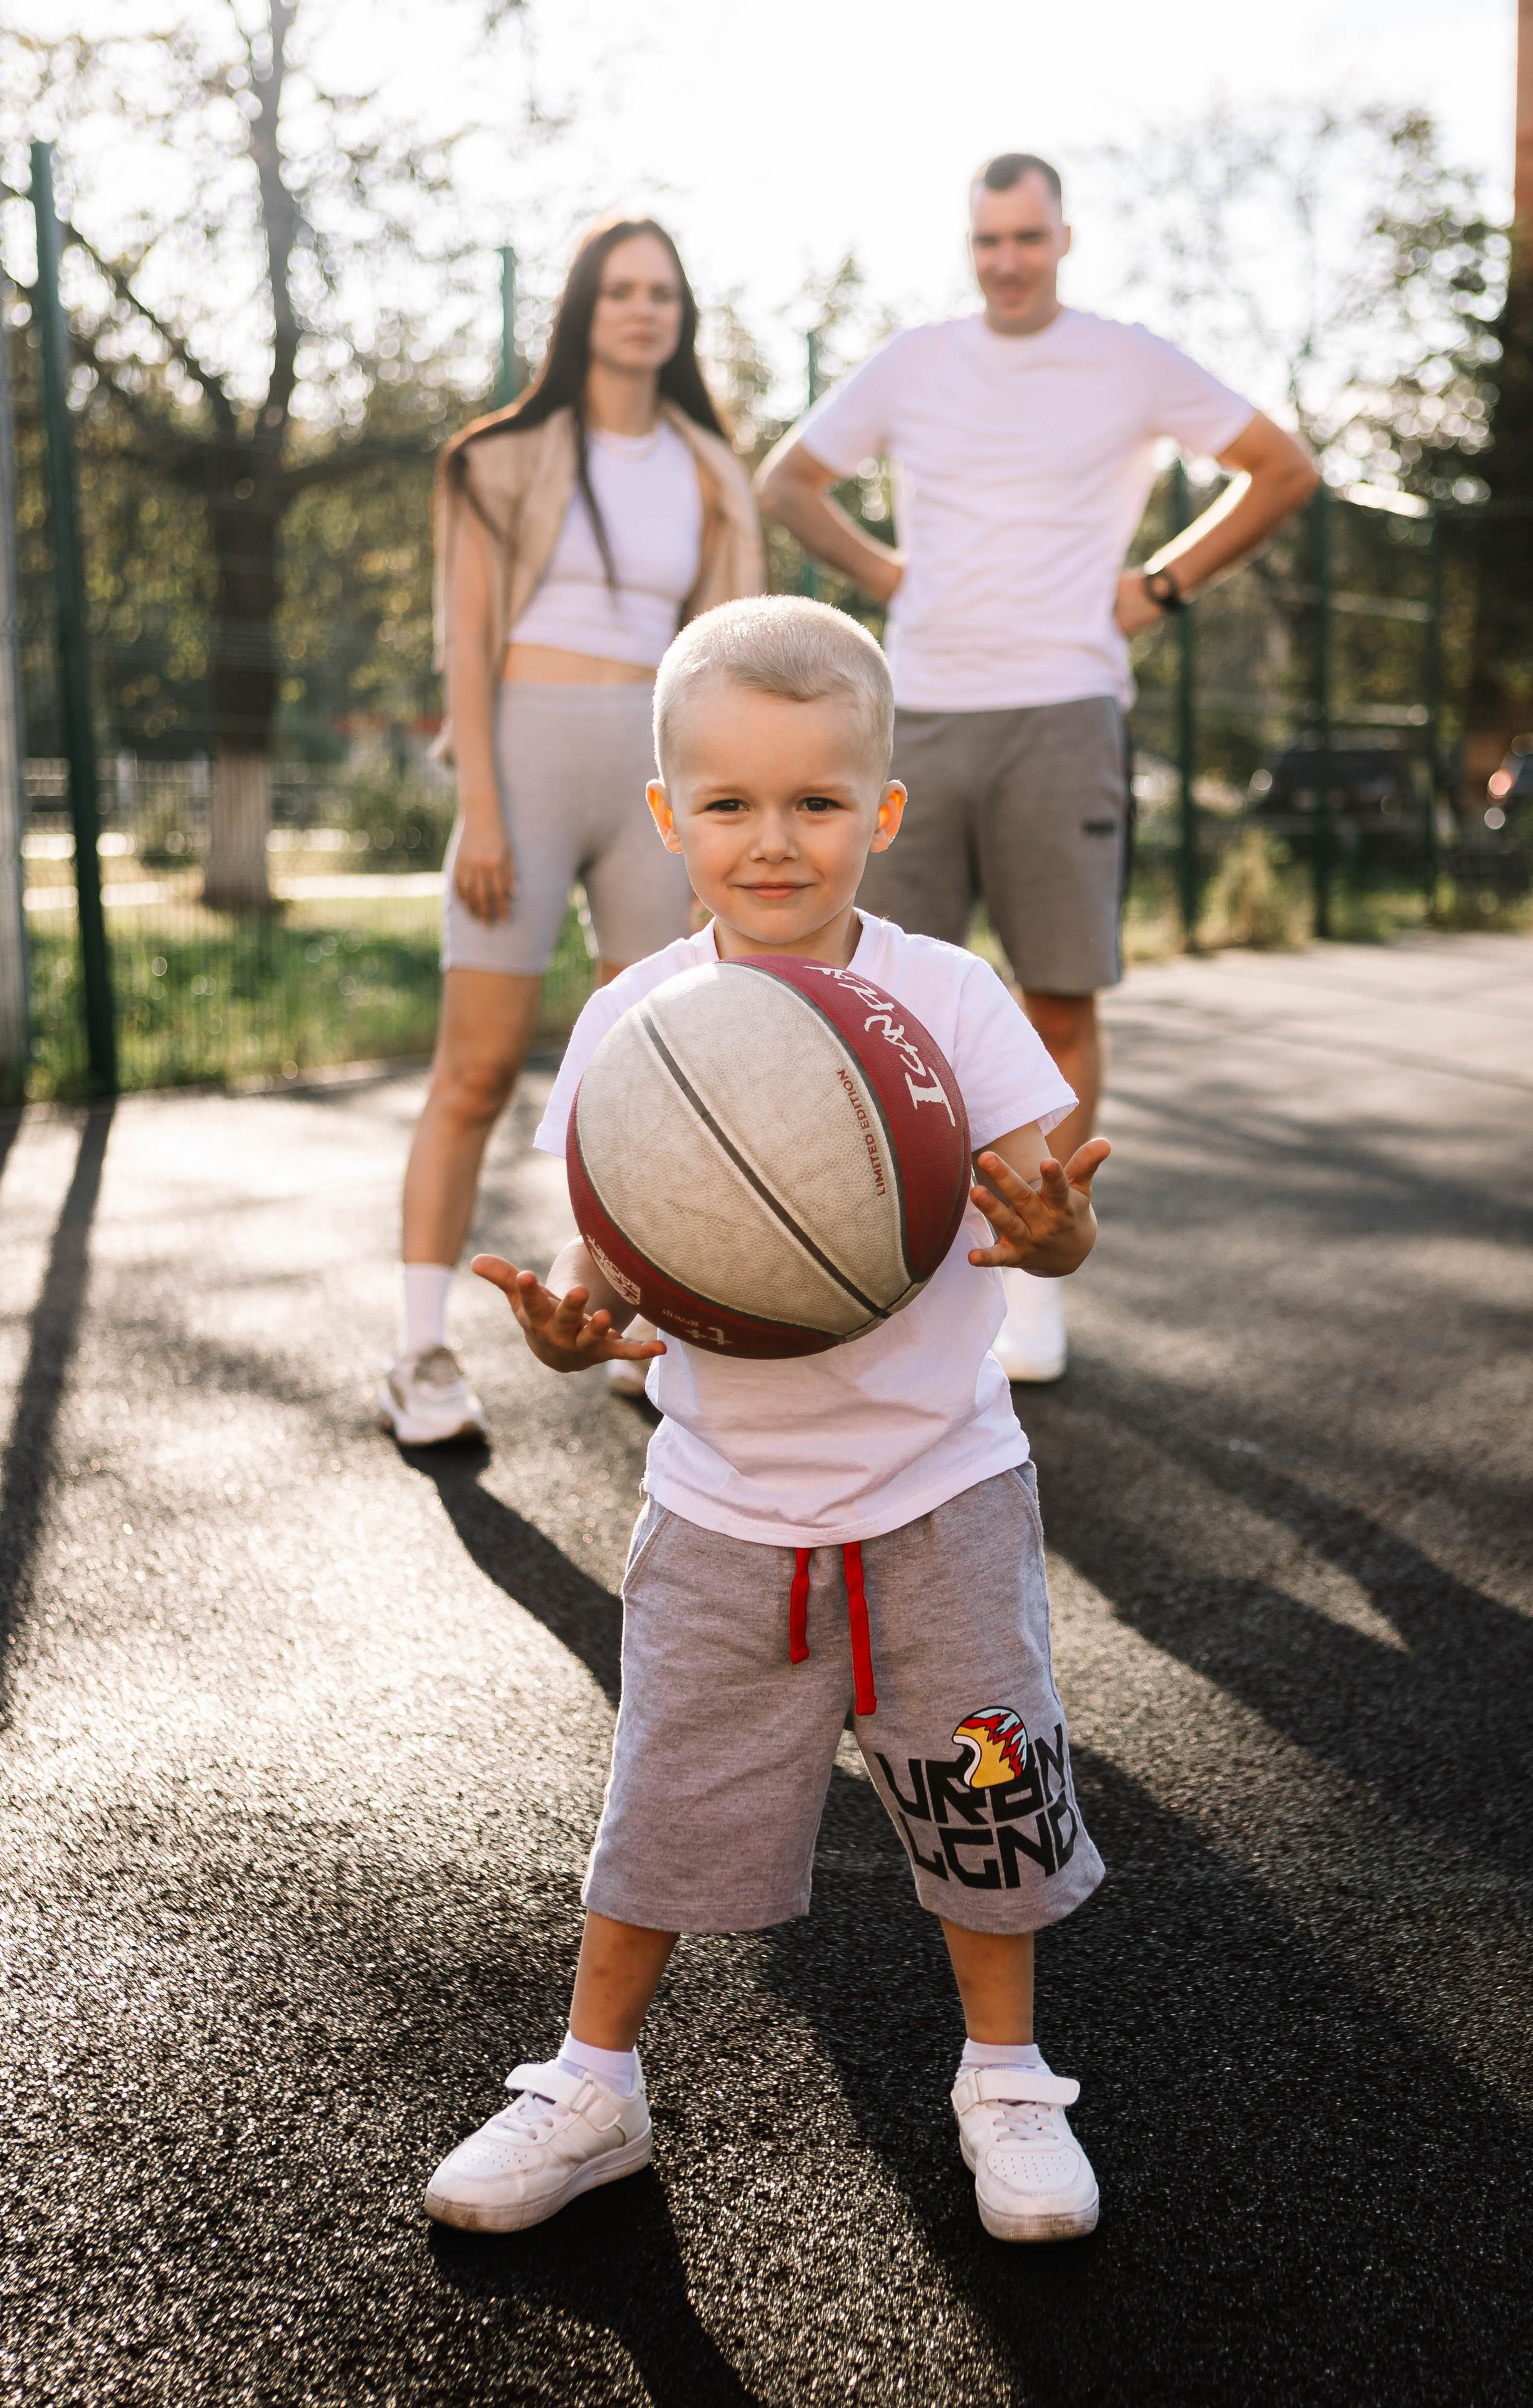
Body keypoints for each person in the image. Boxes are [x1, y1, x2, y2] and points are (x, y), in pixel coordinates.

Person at [423, 596, 1110, 2247]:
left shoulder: (948, 999)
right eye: (728, 803)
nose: (775, 839)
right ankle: (595, 2083)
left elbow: (1050, 1206)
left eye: (817, 803)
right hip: (726, 1504)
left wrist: (1057, 1240)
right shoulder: (634, 1025)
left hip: (939, 1490)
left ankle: (1008, 2077)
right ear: (669, 823)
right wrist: (578, 1336)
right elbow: (612, 1273)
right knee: (663, 1803)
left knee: (982, 1797)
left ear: (884, 815)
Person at [757, 152, 1318, 1381]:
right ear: (967, 247)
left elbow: (1280, 467)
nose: (1006, 260)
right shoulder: (914, 362)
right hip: (925, 715)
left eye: (1026, 237)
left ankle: (1031, 1278)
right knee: (881, 1007)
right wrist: (892, 575)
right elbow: (785, 481)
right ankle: (884, 1266)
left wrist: (1159, 586)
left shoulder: (1127, 359)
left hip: (1065, 706)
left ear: (1064, 236)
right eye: (985, 241)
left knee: (1056, 1000)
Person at [382, 214, 764, 1447]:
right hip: (527, 769)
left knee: (642, 1083)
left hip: (651, 777)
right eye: (620, 291)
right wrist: (481, 812)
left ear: (680, 315)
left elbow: (727, 659)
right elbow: (467, 648)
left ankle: (625, 1324)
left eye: (663, 291)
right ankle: (418, 1350)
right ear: (584, 311)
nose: (643, 310)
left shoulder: (711, 469)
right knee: (478, 1072)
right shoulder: (498, 460)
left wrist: (715, 823)